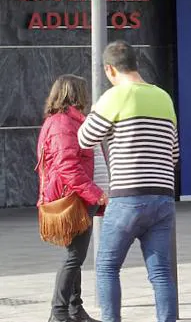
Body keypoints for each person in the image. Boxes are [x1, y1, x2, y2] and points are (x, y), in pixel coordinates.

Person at [78, 41, 180, 322]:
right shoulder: (163, 97)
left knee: (108, 266)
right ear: (137, 63)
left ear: (109, 69)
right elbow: (174, 153)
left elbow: (85, 139)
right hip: (162, 197)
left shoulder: (114, 97)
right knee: (160, 273)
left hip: (127, 197)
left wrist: (98, 109)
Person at [36, 75, 106, 322]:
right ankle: (59, 313)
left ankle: (75, 310)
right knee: (74, 256)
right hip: (73, 199)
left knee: (74, 255)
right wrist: (97, 195)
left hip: (75, 197)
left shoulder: (64, 121)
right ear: (76, 94)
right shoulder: (64, 123)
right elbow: (68, 167)